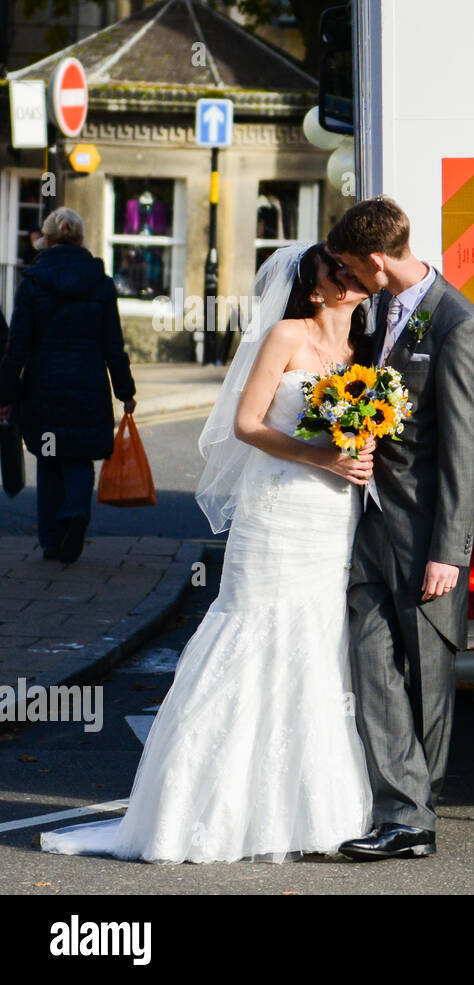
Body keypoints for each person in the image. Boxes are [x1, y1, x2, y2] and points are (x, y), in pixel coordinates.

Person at [40, 243, 377, 862]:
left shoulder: (364, 348)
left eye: (356, 271)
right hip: (278, 508)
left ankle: (307, 812)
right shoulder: (286, 335)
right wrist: (321, 455)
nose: (356, 278)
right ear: (315, 288)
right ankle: (203, 808)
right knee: (250, 631)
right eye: (341, 271)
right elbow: (246, 423)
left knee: (318, 644)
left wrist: (358, 452)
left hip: (334, 514)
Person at [326, 196, 474, 860]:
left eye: (348, 268)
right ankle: (402, 811)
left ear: (376, 261)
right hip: (367, 524)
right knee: (373, 665)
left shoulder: (457, 322)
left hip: (423, 533)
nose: (345, 280)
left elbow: (461, 445)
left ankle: (415, 812)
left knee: (427, 681)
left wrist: (450, 550)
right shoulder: (374, 311)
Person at [0, 208, 136, 562]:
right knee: (77, 457)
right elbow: (113, 346)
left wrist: (6, 393)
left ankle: (50, 540)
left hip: (42, 386)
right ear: (81, 238)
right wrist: (126, 391)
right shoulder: (101, 283)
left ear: (46, 239)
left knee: (48, 458)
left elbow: (17, 345)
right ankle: (76, 510)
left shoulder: (32, 282)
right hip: (88, 383)